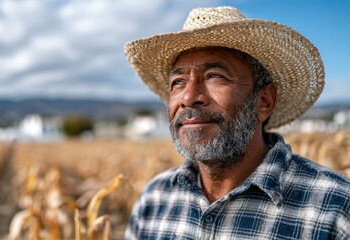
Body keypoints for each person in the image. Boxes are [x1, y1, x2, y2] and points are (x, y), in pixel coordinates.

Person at [124, 6, 350, 239]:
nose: (189, 98)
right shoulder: (154, 200)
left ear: (264, 101)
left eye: (214, 76)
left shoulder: (336, 209)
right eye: (178, 82)